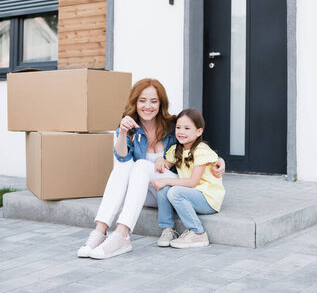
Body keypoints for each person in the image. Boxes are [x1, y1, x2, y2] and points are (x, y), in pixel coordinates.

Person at [77, 79, 226, 259]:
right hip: (144, 192)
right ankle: (100, 231)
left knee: (140, 165)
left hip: (168, 190)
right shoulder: (129, 128)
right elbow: (122, 157)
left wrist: (219, 160)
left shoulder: (173, 125)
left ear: (160, 103)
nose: (148, 106)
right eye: (142, 101)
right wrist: (123, 133)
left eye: (154, 101)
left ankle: (122, 234)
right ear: (135, 102)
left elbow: (196, 146)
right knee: (124, 166)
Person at [151, 108, 225, 248]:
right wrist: (160, 160)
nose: (181, 132)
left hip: (208, 199)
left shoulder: (202, 151)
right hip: (191, 195)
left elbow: (192, 182)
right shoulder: (176, 149)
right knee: (164, 188)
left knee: (173, 190)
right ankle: (168, 229)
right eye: (178, 127)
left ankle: (198, 233)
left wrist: (166, 180)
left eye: (187, 128)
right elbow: (166, 165)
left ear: (199, 131)